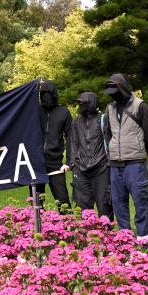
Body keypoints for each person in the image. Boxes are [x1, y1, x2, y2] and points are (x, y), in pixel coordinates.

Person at [104, 73, 148, 245]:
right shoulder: (110, 108)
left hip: (135, 163)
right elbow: (108, 133)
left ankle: (143, 239)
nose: (113, 95)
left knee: (140, 201)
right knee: (119, 203)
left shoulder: (140, 106)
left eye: (116, 90)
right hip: (115, 164)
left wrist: (139, 149)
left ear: (124, 88)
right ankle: (125, 239)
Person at [70, 92, 113, 219]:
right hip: (81, 169)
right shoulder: (76, 122)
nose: (79, 106)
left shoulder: (103, 119)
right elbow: (73, 143)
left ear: (91, 104)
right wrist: (73, 164)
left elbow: (109, 140)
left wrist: (109, 163)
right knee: (82, 205)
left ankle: (107, 233)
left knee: (104, 204)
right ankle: (86, 233)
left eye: (82, 103)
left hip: (101, 168)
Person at [31, 80, 72, 211]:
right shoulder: (35, 111)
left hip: (56, 163)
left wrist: (69, 161)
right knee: (36, 202)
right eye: (43, 93)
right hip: (36, 162)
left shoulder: (63, 112)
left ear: (55, 94)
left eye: (49, 93)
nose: (46, 96)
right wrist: (35, 86)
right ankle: (37, 228)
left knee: (63, 201)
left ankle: (67, 228)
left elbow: (71, 137)